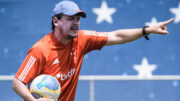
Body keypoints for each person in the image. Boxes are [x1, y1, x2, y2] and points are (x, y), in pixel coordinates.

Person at [12, 0, 174, 101]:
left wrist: (146, 30)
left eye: (78, 19)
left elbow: (117, 36)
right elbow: (17, 82)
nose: (76, 23)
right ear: (56, 21)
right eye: (70, 19)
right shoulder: (40, 49)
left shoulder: (82, 39)